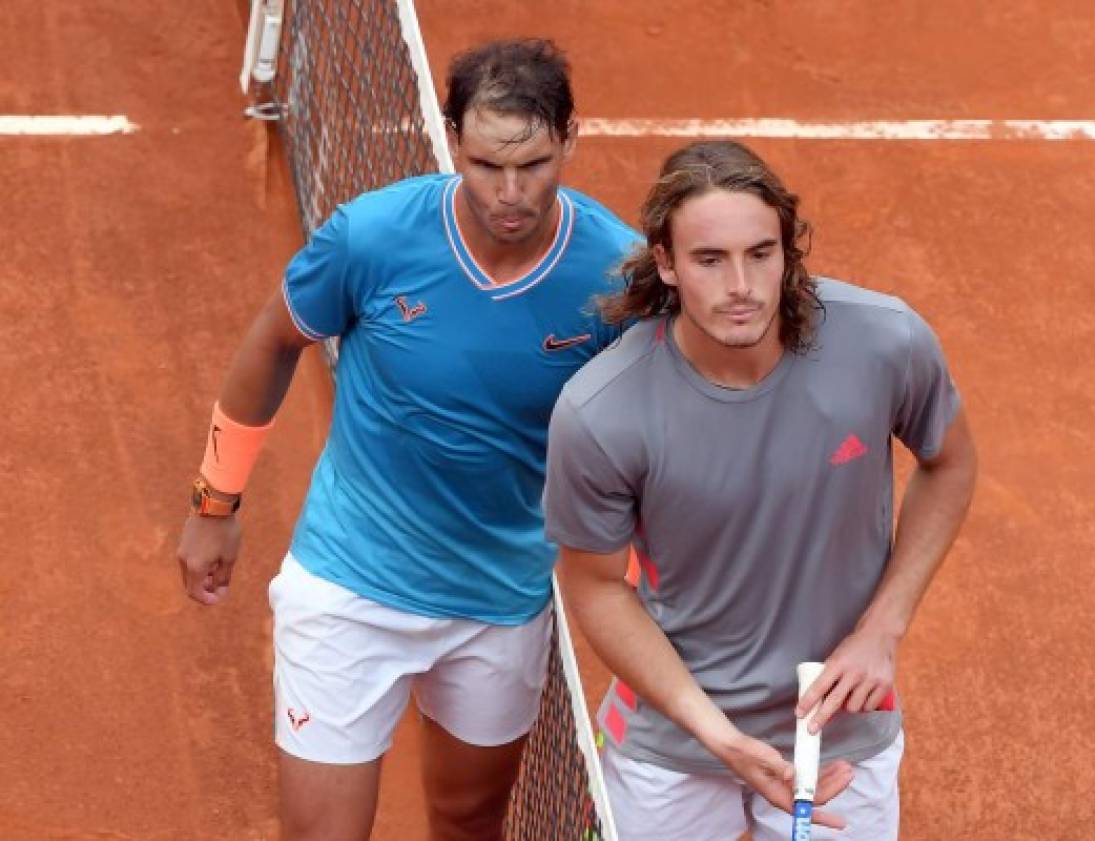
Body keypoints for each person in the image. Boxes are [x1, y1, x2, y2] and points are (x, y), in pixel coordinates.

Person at [175, 39, 645, 841]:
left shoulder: (616, 275)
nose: (509, 192)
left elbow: (652, 430)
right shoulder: (372, 238)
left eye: (531, 164)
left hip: (500, 599)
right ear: (451, 135)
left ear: (571, 137)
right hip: (350, 586)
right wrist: (215, 500)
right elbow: (271, 341)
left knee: (468, 823)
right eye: (486, 163)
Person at [544, 140, 978, 840]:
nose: (741, 285)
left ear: (787, 252)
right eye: (710, 259)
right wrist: (719, 736)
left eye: (761, 253)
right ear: (666, 262)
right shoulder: (602, 412)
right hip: (677, 737)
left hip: (839, 726)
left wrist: (883, 627)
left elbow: (950, 461)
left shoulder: (884, 342)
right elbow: (594, 586)